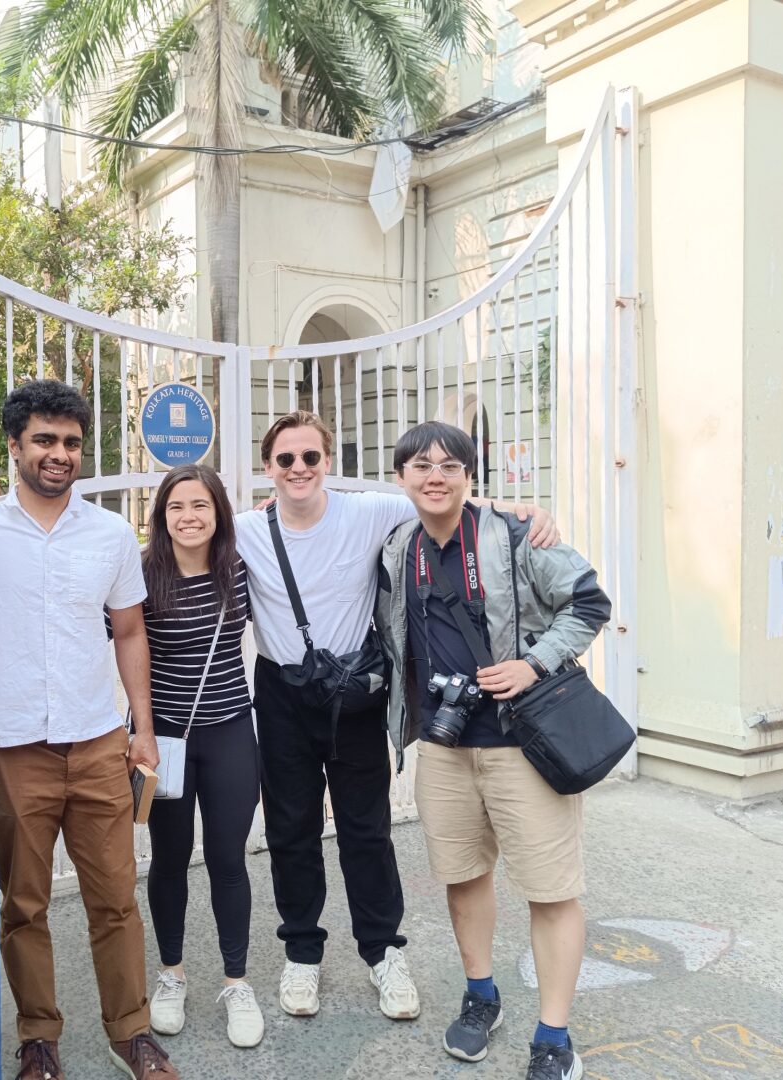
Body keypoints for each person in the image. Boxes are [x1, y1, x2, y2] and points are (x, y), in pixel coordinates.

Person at [233, 410, 557, 1023]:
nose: (299, 468)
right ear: (268, 467)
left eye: (310, 457)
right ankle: (302, 952)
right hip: (282, 694)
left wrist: (522, 512)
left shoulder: (367, 512)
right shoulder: (246, 528)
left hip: (355, 691)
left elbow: (442, 498)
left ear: (328, 461)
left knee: (367, 830)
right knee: (290, 830)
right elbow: (182, 536)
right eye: (286, 459)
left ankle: (383, 952)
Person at [0, 379, 178, 1080]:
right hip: (15, 749)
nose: (59, 454)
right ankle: (38, 1039)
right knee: (24, 904)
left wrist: (142, 729)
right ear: (13, 446)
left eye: (72, 442)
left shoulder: (109, 533)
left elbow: (130, 631)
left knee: (115, 898)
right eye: (45, 440)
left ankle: (131, 1032)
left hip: (97, 743)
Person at [374, 420, 609, 1080]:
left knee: (551, 891)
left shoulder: (514, 535)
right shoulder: (397, 548)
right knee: (464, 876)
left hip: (522, 746)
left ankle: (554, 1037)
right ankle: (482, 997)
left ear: (469, 475)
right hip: (444, 747)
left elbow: (588, 601)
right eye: (421, 465)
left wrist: (534, 663)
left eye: (450, 465)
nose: (436, 476)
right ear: (400, 478)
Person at [138, 465, 263, 1049]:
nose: (188, 517)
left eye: (200, 505)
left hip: (230, 731)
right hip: (165, 739)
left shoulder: (240, 568)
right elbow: (110, 640)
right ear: (161, 516)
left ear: (219, 513)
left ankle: (237, 982)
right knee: (168, 858)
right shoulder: (143, 573)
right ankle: (172, 973)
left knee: (227, 859)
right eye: (176, 507)